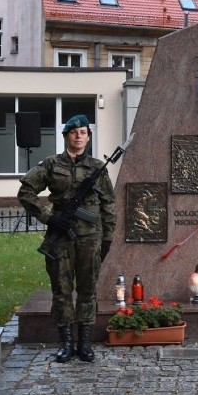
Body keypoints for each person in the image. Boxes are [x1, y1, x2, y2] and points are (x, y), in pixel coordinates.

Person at [17, 115, 116, 363]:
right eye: (74, 132)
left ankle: (84, 343)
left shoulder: (97, 168)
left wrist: (107, 239)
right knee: (61, 290)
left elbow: (109, 205)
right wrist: (49, 217)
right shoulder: (50, 164)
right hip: (60, 235)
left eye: (83, 132)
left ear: (88, 137)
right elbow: (26, 192)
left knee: (87, 290)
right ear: (66, 136)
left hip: (90, 238)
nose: (79, 136)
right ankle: (66, 344)